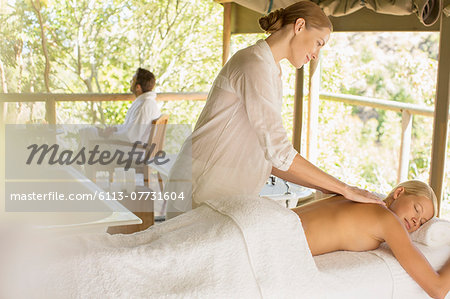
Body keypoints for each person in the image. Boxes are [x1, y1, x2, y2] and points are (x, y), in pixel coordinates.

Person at [165, 1, 383, 216]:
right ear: (299, 26)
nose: (317, 54)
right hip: (202, 183)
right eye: (318, 42)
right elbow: (279, 151)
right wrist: (345, 188)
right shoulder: (254, 64)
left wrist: (328, 188)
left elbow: (270, 156)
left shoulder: (272, 71)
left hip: (223, 189)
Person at [293, 180, 450, 298]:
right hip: (280, 238)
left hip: (277, 219)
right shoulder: (389, 221)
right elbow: (437, 289)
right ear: (399, 192)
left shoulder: (360, 197)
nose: (416, 220)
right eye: (417, 209)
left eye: (422, 222)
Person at [79, 67, 161, 147]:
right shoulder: (148, 102)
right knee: (89, 132)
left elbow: (131, 137)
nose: (130, 82)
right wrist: (115, 129)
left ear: (138, 87)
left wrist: (109, 135)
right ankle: (82, 160)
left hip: (134, 151)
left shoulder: (143, 106)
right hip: (135, 147)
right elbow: (130, 128)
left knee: (87, 132)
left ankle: (81, 160)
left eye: (132, 80)